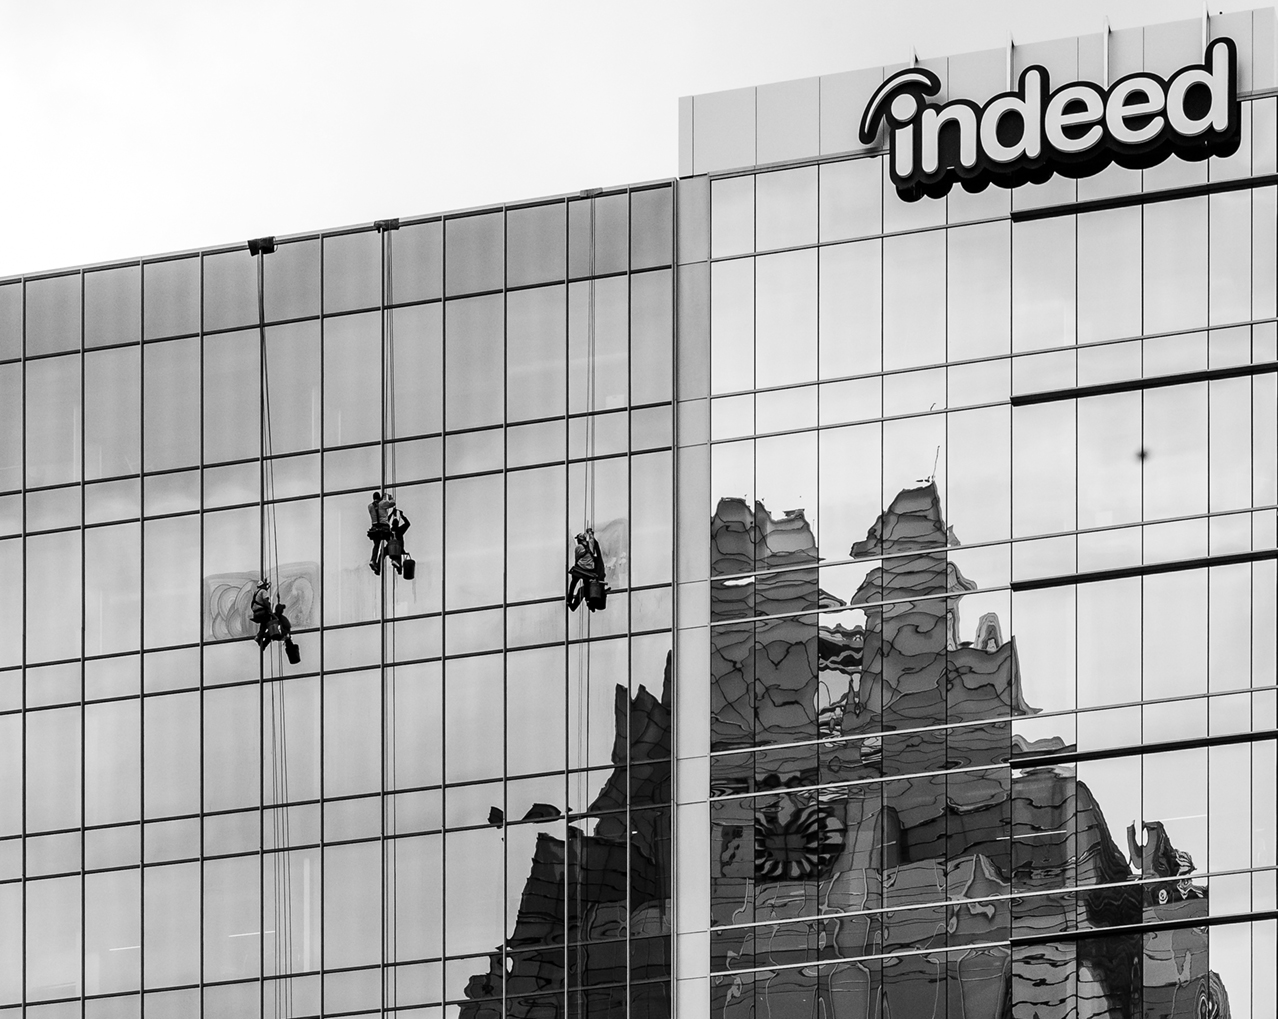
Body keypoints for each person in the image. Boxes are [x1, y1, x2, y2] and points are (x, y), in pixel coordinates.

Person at [567, 529, 606, 612]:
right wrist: (590, 532)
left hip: (580, 569)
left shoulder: (578, 547)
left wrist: (576, 568)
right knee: (587, 587)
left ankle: (569, 600)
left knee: (573, 584)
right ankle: (589, 603)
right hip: (589, 571)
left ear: (579, 540)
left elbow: (577, 559)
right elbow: (592, 537)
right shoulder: (591, 543)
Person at [367, 490, 396, 574]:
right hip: (384, 528)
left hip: (375, 529)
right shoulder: (383, 503)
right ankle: (394, 559)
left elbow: (377, 509)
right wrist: (390, 498)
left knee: (376, 545)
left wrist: (382, 499)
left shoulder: (370, 506)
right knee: (391, 542)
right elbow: (392, 503)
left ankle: (373, 560)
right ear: (379, 497)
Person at [385, 508, 412, 575]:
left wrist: (391, 514)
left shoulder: (389, 531)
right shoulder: (400, 530)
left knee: (382, 553)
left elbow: (385, 522)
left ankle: (378, 566)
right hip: (398, 549)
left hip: (390, 549)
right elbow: (407, 524)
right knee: (398, 553)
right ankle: (398, 567)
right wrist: (402, 516)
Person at [250, 579, 273, 648]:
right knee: (271, 624)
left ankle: (259, 637)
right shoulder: (263, 591)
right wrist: (270, 610)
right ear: (263, 586)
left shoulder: (256, 592)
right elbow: (265, 601)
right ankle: (260, 637)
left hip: (256, 613)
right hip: (262, 611)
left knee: (263, 625)